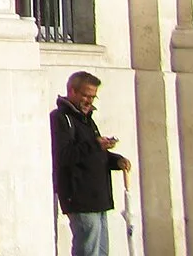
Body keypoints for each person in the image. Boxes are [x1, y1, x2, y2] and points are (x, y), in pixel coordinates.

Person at [50, 70, 130, 256]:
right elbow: (64, 155)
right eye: (86, 95)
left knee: (101, 251)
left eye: (93, 97)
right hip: (80, 198)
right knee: (88, 251)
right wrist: (95, 144)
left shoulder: (87, 120)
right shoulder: (61, 118)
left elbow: (94, 154)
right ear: (72, 91)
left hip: (98, 198)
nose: (89, 101)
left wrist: (116, 160)